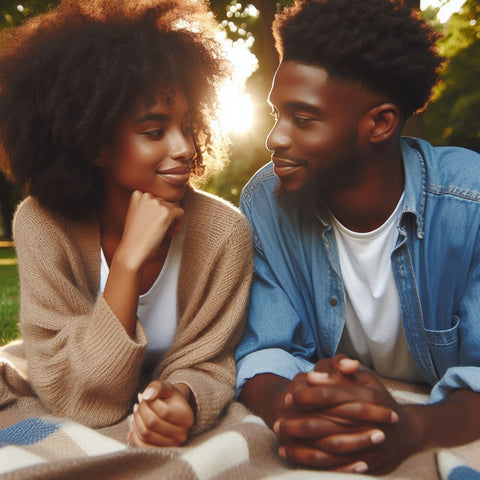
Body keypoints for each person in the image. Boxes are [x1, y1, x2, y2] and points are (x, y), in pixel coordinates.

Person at [235, 0, 480, 475]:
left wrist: (416, 429)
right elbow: (267, 348)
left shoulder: (470, 206)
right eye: (276, 114)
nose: (275, 139)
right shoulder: (265, 202)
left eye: (302, 119)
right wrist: (290, 408)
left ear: (380, 124)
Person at [0, 0, 252, 448]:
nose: (184, 149)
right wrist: (128, 262)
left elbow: (211, 363)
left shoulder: (224, 234)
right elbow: (79, 397)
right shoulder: (43, 225)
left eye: (188, 125)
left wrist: (182, 399)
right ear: (96, 144)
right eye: (154, 131)